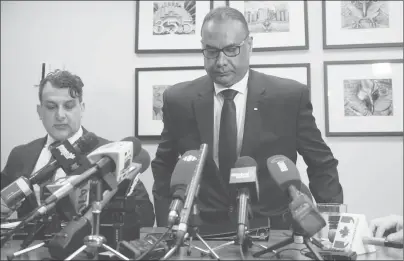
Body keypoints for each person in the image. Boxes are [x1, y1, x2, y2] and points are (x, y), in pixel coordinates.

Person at [151, 7, 343, 234]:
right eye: (211, 51)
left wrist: (333, 228)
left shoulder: (289, 97)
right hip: (201, 232)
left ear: (249, 45)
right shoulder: (178, 100)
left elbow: (322, 164)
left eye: (231, 49)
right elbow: (163, 167)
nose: (220, 61)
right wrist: (167, 225)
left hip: (272, 231)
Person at [0, 70, 155, 238]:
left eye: (68, 106)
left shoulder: (110, 154)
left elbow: (146, 217)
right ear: (40, 111)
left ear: (81, 108)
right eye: (51, 107)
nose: (60, 115)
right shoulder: (21, 155)